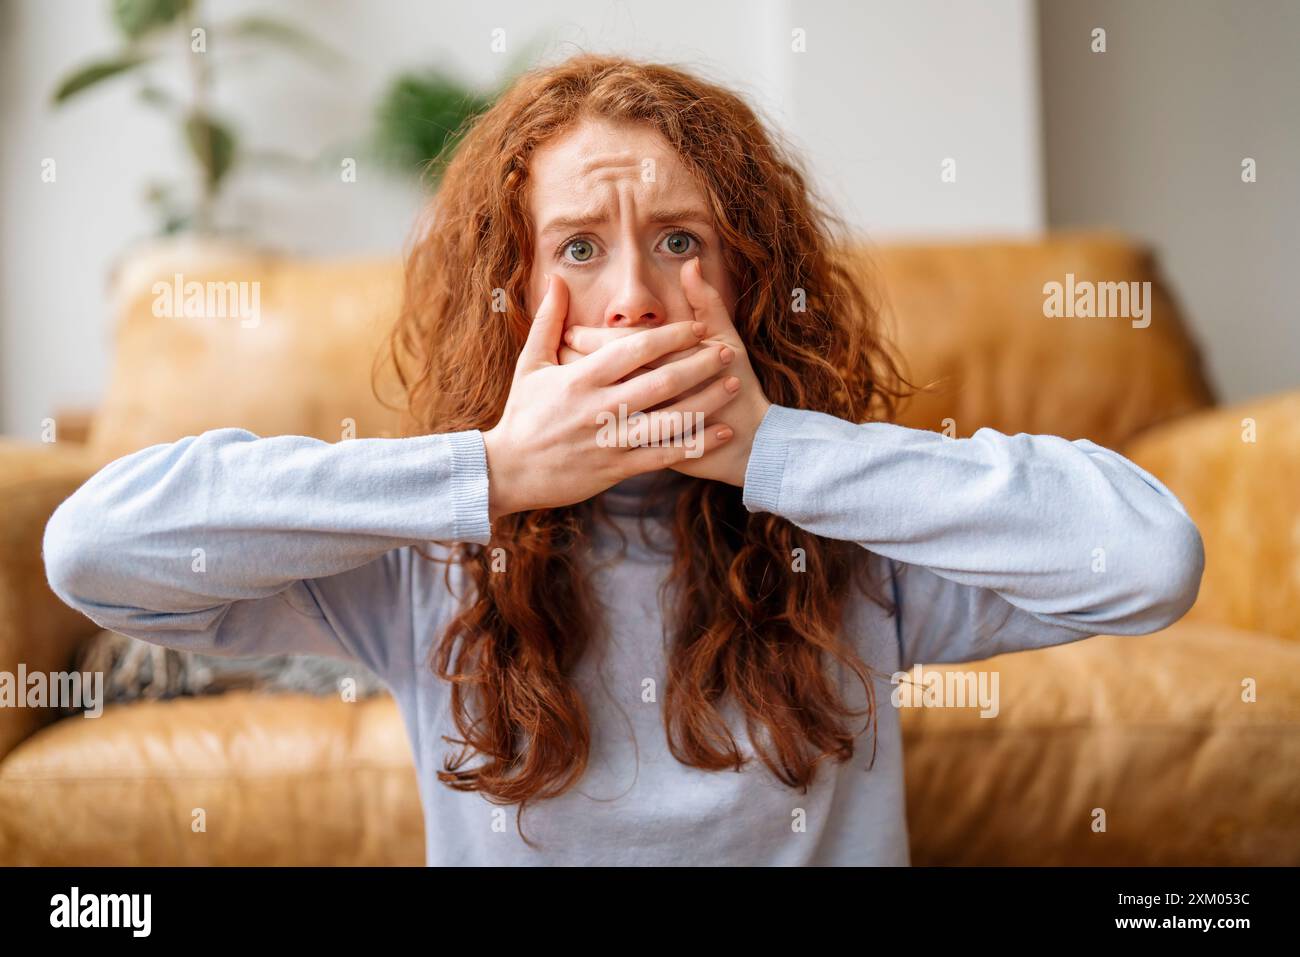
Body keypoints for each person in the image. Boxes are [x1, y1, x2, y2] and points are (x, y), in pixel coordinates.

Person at [42, 54, 1205, 866]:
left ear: (749, 282)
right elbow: (94, 550)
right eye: (580, 249)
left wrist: (775, 451)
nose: (637, 302)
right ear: (508, 295)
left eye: (681, 242)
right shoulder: (428, 553)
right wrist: (490, 472)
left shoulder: (853, 540)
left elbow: (1149, 560)